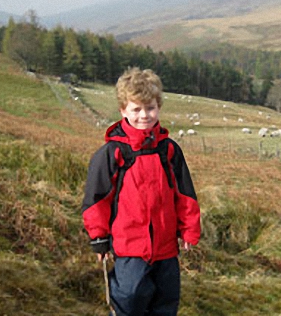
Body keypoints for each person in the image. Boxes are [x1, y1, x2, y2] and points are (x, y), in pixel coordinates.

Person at [82, 67, 201, 316]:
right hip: (129, 245)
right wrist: (99, 238)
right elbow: (97, 199)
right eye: (136, 109)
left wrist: (189, 229)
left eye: (150, 108)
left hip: (166, 245)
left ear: (159, 107)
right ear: (123, 111)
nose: (144, 115)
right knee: (131, 296)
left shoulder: (169, 150)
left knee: (166, 299)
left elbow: (185, 193)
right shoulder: (112, 153)